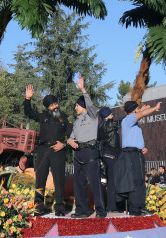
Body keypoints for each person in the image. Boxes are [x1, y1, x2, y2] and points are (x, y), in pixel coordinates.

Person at [23, 84, 72, 216]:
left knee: (59, 179)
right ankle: (38, 207)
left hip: (58, 150)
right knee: (40, 178)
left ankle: (60, 207)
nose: (55, 107)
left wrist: (64, 144)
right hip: (43, 149)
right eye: (51, 105)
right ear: (47, 108)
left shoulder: (65, 117)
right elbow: (28, 112)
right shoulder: (42, 115)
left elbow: (73, 135)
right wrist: (28, 99)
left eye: (56, 104)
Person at [113, 99, 162, 216]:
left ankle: (140, 206)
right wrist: (154, 108)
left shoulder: (132, 122)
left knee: (140, 180)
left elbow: (140, 114)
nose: (140, 109)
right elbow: (142, 114)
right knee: (135, 181)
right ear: (134, 110)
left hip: (137, 153)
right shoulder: (128, 119)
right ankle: (135, 209)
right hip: (131, 155)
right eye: (138, 108)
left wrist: (141, 148)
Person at [67, 75, 106, 218]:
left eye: (77, 105)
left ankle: (101, 211)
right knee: (79, 184)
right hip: (78, 153)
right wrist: (69, 141)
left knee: (95, 183)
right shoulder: (77, 121)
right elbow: (71, 136)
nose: (75, 107)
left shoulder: (92, 115)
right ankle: (81, 210)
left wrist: (83, 89)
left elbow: (89, 104)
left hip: (90, 152)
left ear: (82, 106)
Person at [97, 106, 122, 212]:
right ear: (106, 115)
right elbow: (122, 122)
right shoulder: (109, 123)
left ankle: (110, 205)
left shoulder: (100, 126)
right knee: (113, 181)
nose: (113, 115)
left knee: (109, 181)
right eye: (111, 113)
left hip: (104, 155)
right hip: (112, 155)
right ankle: (113, 207)